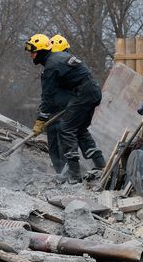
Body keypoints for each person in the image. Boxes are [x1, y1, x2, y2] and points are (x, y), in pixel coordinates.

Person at [25, 33, 104, 182]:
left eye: (33, 52)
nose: (31, 55)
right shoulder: (58, 59)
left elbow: (47, 97)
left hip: (83, 93)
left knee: (66, 128)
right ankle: (100, 164)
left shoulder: (51, 67)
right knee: (79, 129)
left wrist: (40, 120)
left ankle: (73, 175)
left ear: (41, 51)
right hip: (92, 91)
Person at [42, 34, 72, 173]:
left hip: (67, 112)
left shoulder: (72, 67)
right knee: (53, 144)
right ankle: (59, 172)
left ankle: (67, 172)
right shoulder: (49, 69)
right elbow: (46, 93)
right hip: (53, 113)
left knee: (65, 143)